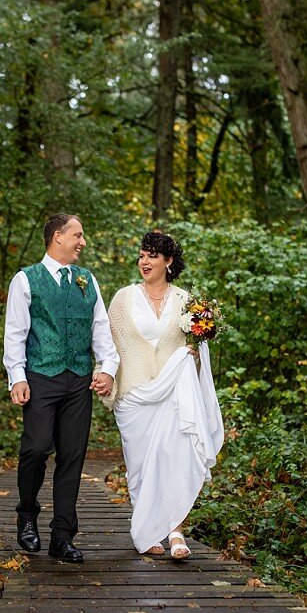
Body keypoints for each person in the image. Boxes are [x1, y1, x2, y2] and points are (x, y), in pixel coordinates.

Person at [3, 214, 121, 563]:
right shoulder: (26, 279)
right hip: (41, 375)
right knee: (36, 449)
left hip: (79, 380)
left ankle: (62, 535)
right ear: (58, 237)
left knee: (72, 456)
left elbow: (101, 329)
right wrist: (17, 376)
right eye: (77, 235)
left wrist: (108, 369)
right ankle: (27, 513)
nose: (83, 242)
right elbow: (15, 333)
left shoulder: (88, 280)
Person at [105, 230, 224, 559]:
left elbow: (197, 347)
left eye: (152, 256)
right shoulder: (123, 298)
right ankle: (146, 528)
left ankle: (175, 530)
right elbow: (108, 344)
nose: (144, 262)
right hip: (134, 394)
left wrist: (197, 355)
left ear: (168, 262)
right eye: (142, 255)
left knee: (174, 459)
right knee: (140, 465)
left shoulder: (185, 301)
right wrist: (105, 377)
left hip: (174, 391)